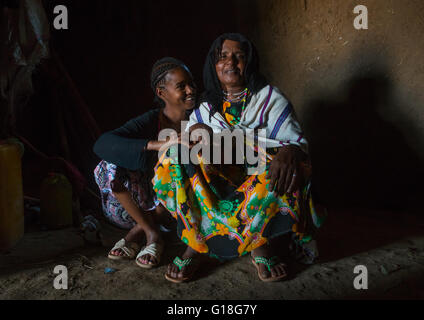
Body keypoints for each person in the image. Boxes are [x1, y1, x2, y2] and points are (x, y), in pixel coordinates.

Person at [153, 34, 326, 283]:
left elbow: (295, 142)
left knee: (293, 165)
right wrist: (198, 134)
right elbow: (193, 139)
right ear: (214, 65)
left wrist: (290, 150)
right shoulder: (204, 106)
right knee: (175, 155)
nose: (230, 63)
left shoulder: (269, 98)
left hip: (258, 183)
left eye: (238, 56)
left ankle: (259, 243)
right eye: (222, 57)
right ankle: (196, 244)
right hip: (216, 185)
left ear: (249, 62)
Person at [93, 57, 197, 268]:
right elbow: (102, 144)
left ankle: (138, 230)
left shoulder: (202, 116)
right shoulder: (151, 120)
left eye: (191, 83)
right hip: (139, 204)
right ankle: (152, 233)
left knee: (179, 164)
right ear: (161, 93)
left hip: (185, 205)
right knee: (108, 164)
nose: (190, 90)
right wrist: (155, 144)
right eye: (181, 86)